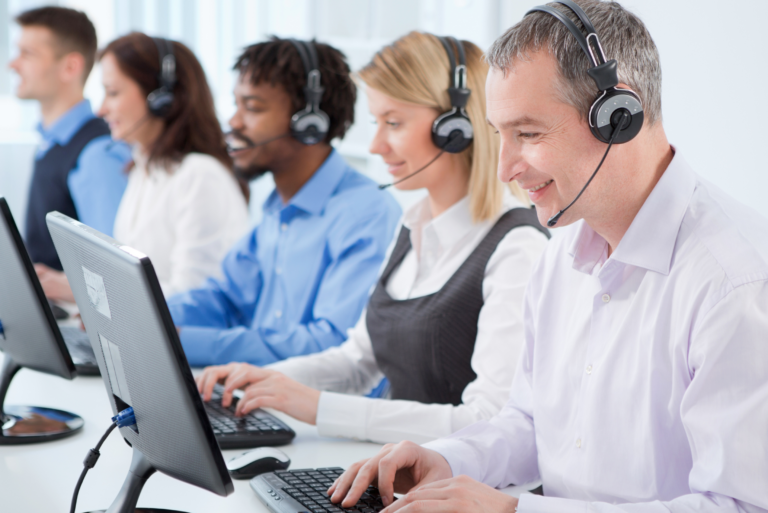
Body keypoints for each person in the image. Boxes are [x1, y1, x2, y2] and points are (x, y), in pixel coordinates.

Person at [328, 1, 768, 512]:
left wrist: (516, 511)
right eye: (499, 136)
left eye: (528, 134)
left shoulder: (736, 280)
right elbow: (531, 423)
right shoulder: (561, 259)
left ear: (617, 118)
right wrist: (447, 461)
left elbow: (740, 506)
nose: (505, 170)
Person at [195, 32, 549, 445]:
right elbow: (358, 360)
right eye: (376, 124)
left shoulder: (516, 247)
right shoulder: (412, 227)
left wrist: (316, 406)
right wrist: (270, 379)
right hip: (399, 470)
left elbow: (487, 419)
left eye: (393, 123)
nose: (377, 145)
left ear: (456, 128)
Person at [166, 38, 402, 367]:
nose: (234, 122)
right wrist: (149, 320)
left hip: (311, 411)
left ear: (309, 123)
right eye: (236, 105)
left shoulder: (366, 213)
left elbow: (333, 344)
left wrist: (182, 343)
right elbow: (225, 298)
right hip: (258, 396)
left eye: (253, 108)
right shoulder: (276, 206)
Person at [38, 33, 250, 300]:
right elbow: (136, 282)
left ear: (162, 99)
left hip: (182, 341)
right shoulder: (142, 170)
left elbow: (194, 300)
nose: (101, 110)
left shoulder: (200, 176)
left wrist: (88, 294)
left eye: (113, 93)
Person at [10, 6, 130, 272]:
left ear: (70, 66)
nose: (12, 64)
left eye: (27, 54)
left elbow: (114, 269)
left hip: (68, 311)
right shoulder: (50, 142)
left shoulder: (97, 153)